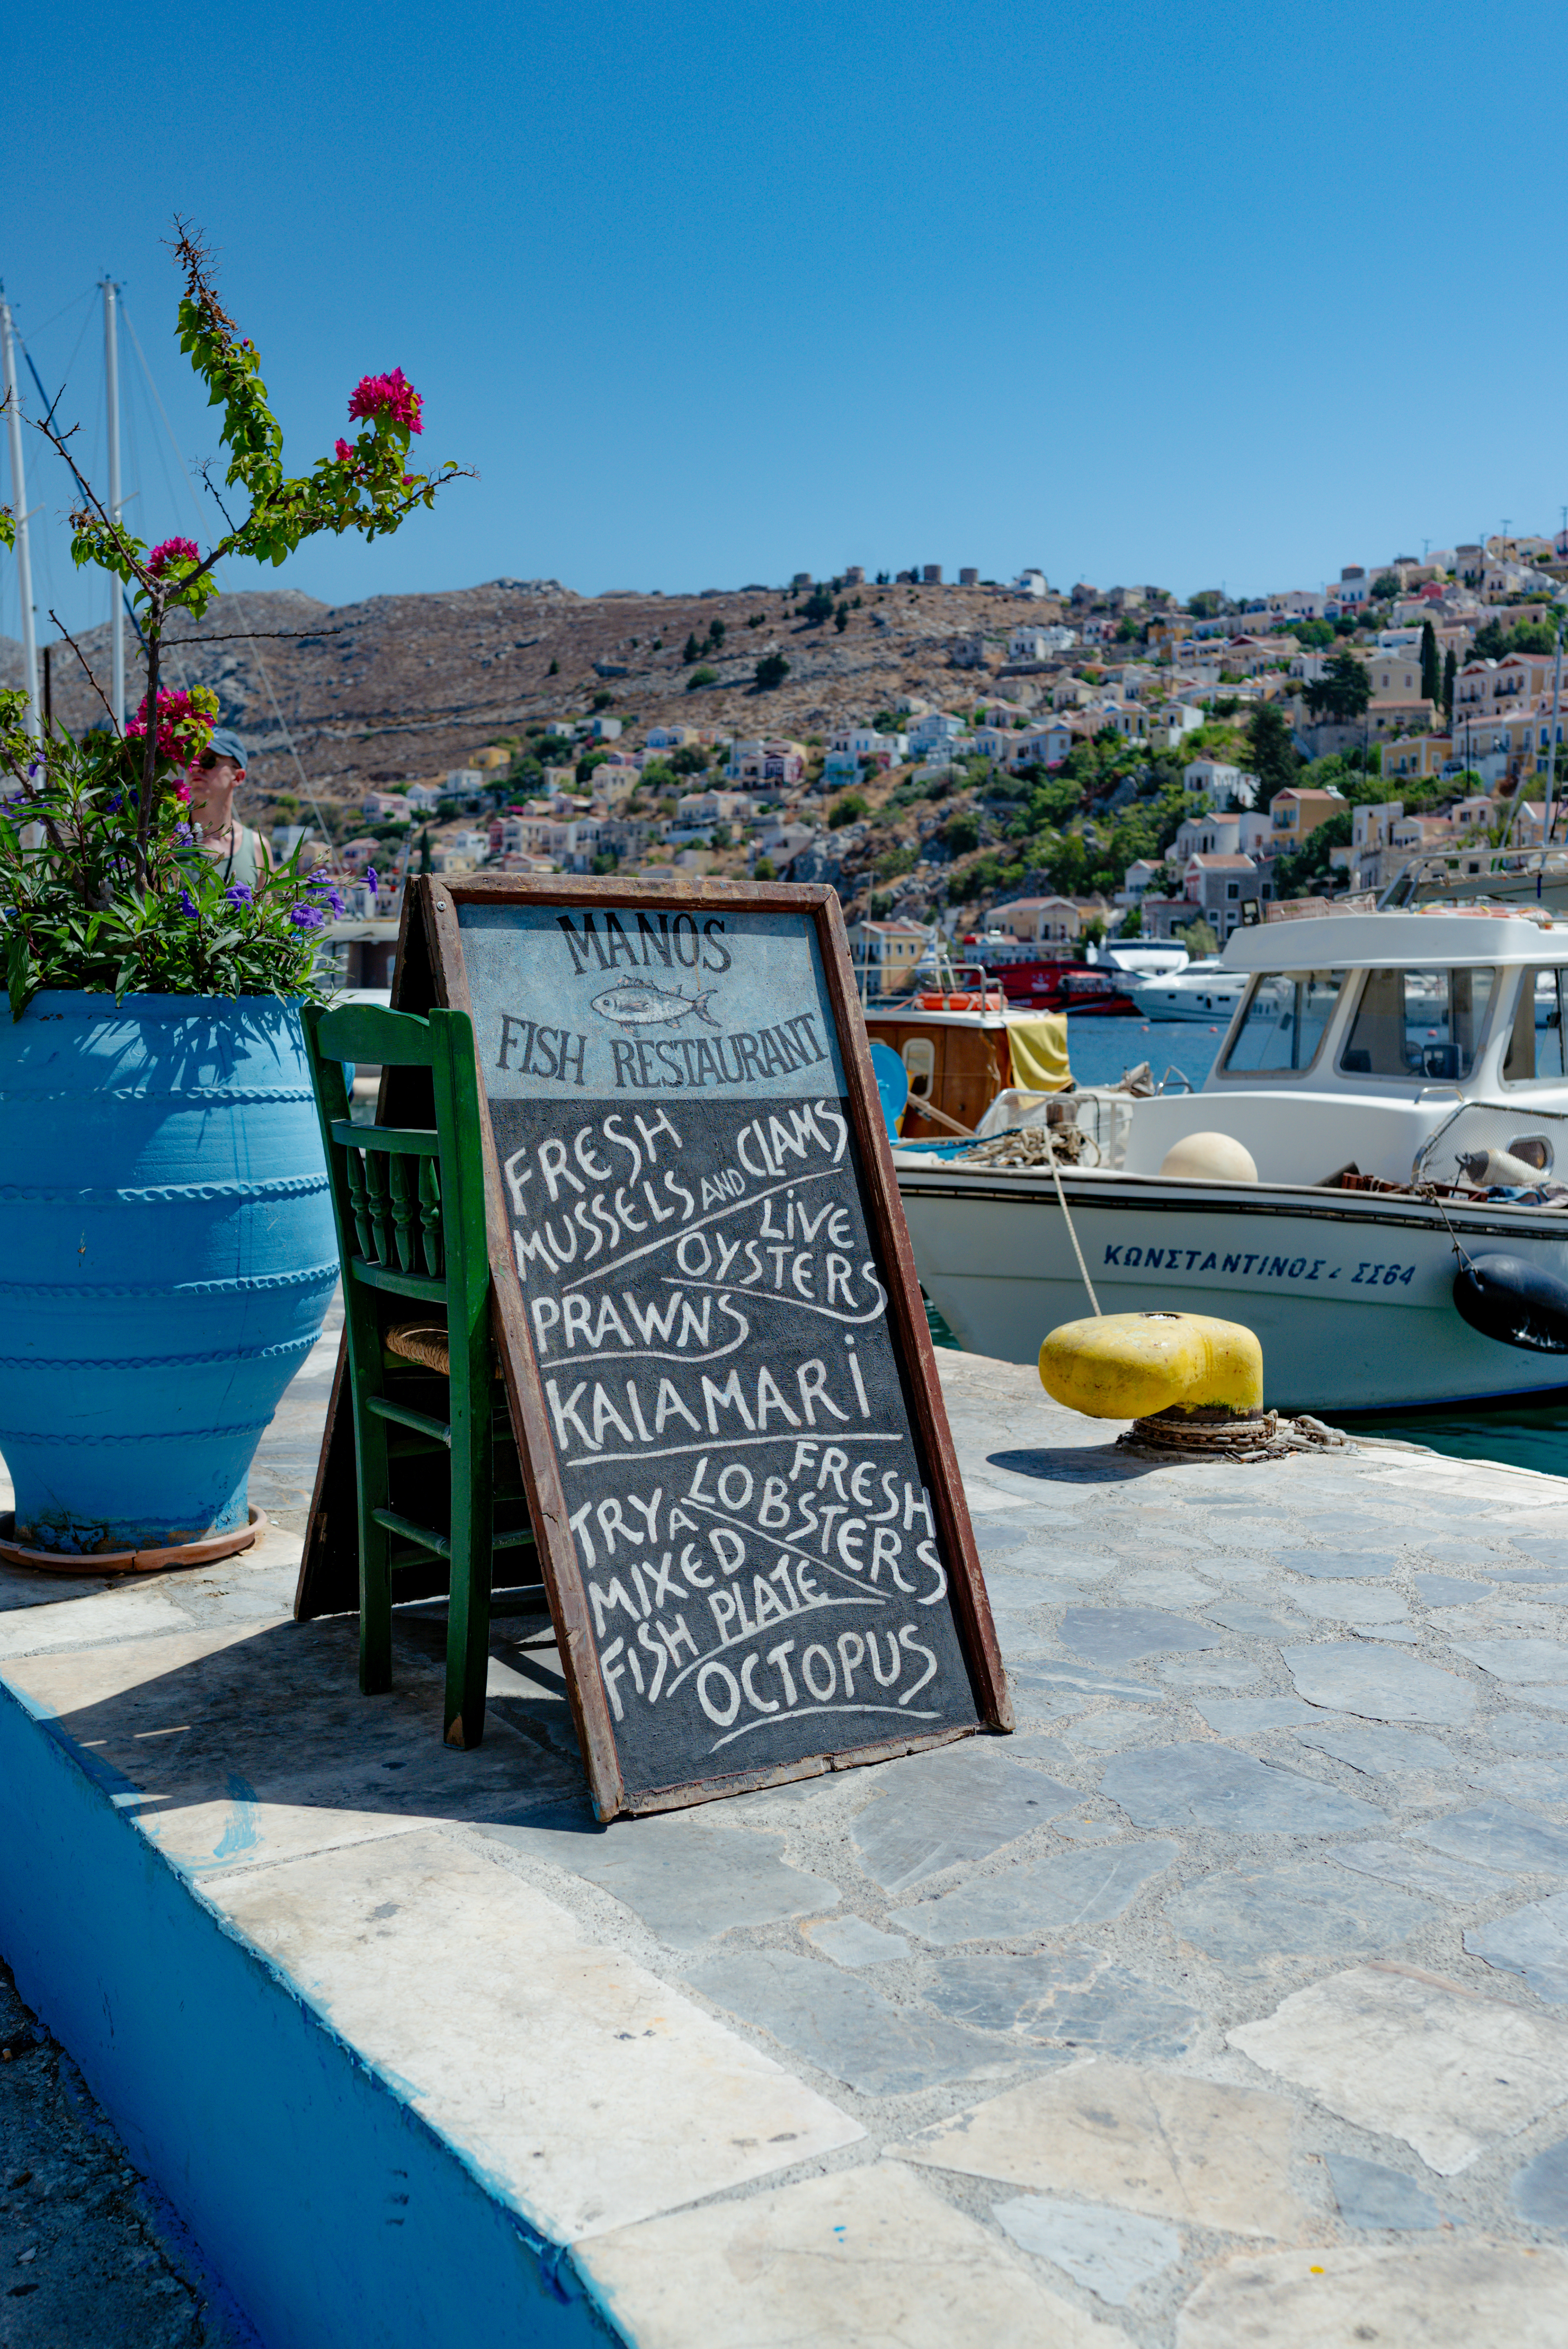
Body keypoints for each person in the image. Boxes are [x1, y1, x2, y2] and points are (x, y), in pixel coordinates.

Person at [188, 729, 273, 892]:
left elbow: (265, 916)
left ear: (239, 777)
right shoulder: (168, 840)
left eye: (209, 761)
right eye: (192, 759)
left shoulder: (258, 847)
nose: (197, 768)